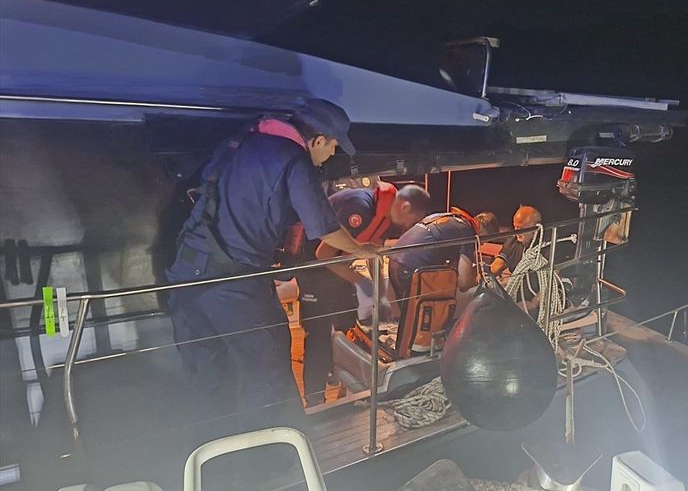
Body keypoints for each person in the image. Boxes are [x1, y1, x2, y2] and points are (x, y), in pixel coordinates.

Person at [165, 99, 379, 429]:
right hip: (232, 279)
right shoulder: (293, 159)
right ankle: (270, 453)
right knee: (268, 368)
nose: (331, 154)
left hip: (187, 272)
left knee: (207, 371)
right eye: (333, 146)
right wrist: (362, 250)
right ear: (318, 140)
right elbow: (324, 228)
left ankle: (211, 449)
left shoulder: (243, 140)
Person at [298, 183, 431, 406]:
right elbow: (323, 254)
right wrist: (360, 281)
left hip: (337, 268)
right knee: (319, 337)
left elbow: (372, 254)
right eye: (413, 220)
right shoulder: (358, 207)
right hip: (313, 270)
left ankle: (348, 392)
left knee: (350, 329)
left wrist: (380, 296)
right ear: (406, 207)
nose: (409, 227)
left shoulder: (386, 215)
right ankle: (315, 401)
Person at [388, 208, 479, 353]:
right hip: (411, 268)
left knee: (409, 317)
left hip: (395, 260)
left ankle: (406, 349)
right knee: (418, 316)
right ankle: (417, 352)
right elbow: (464, 282)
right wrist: (479, 277)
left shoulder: (450, 218)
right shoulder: (468, 231)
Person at [490, 205, 542, 277]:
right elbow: (497, 266)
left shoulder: (547, 246)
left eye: (521, 229)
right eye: (515, 227)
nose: (516, 232)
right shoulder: (513, 242)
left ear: (536, 227)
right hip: (517, 283)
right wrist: (484, 274)